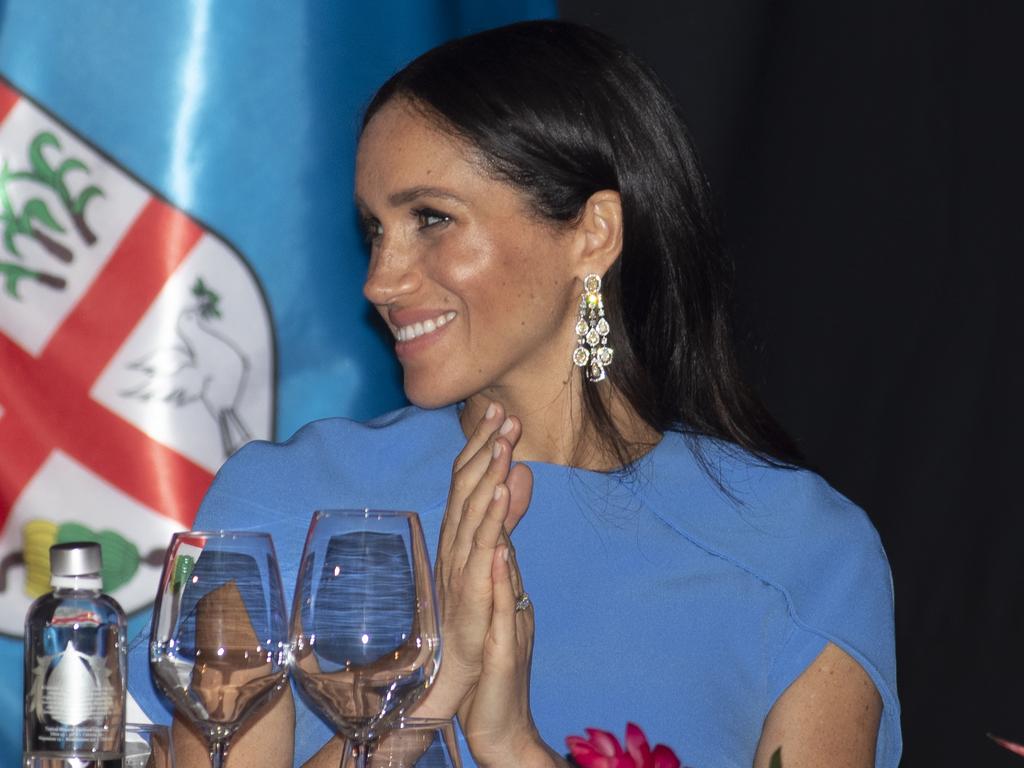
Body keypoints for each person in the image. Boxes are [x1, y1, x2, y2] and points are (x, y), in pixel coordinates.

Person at [128, 20, 900, 768]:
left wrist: (514, 748)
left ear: (593, 234)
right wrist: (431, 691)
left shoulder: (805, 553)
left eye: (431, 219)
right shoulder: (283, 505)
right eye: (376, 229)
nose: (380, 280)